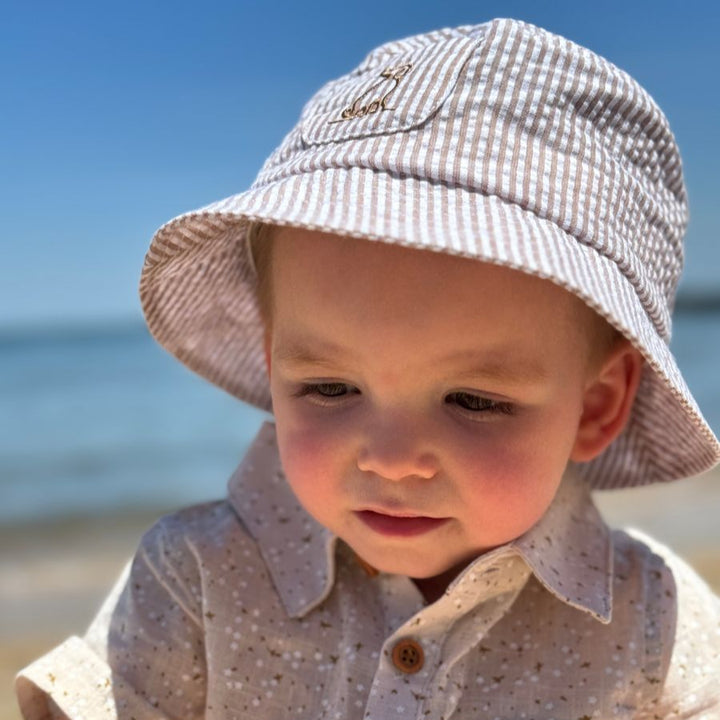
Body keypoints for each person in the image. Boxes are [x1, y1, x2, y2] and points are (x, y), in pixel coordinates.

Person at [16, 18, 720, 719]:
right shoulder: (196, 579)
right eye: (329, 387)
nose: (390, 460)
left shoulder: (653, 622)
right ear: (275, 367)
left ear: (595, 407)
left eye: (473, 400)